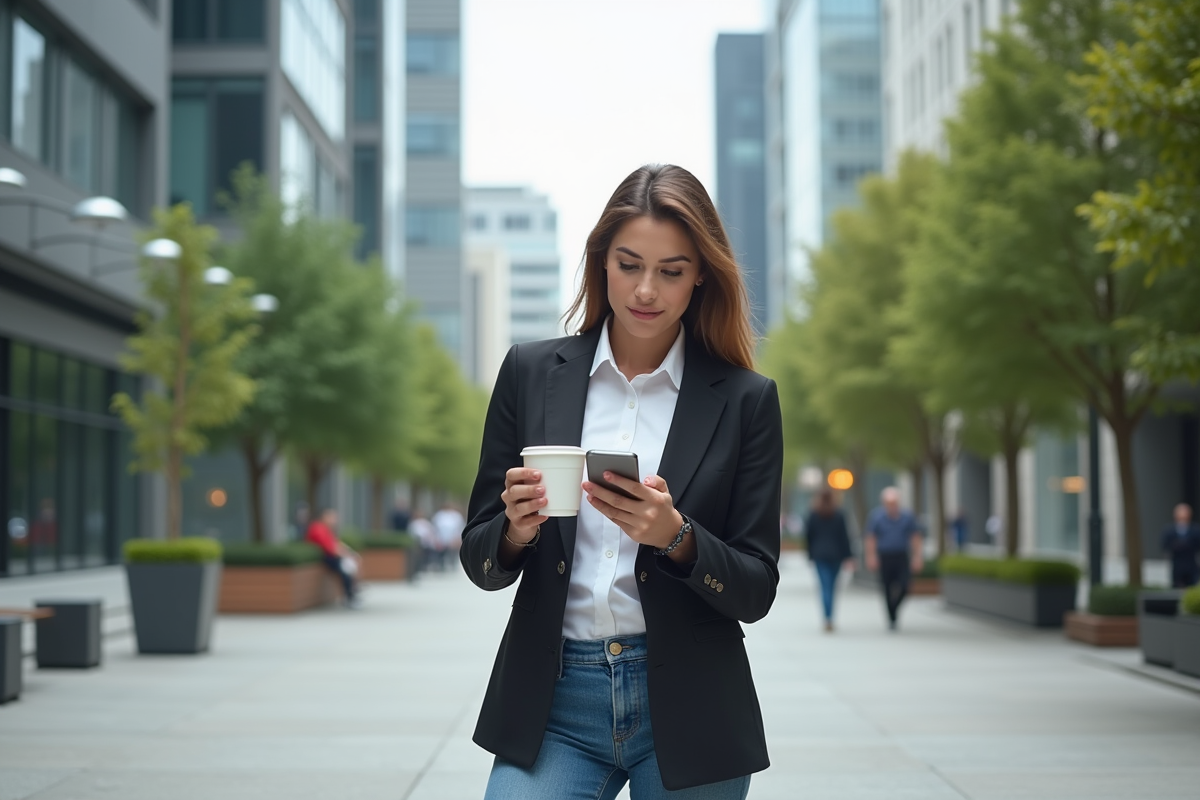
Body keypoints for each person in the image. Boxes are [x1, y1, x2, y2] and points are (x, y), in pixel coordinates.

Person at [460, 164, 783, 798]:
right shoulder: (530, 373)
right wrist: (515, 531)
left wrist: (677, 537)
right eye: (629, 265)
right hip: (555, 703)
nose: (646, 290)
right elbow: (480, 560)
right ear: (601, 262)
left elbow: (756, 589)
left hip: (693, 705)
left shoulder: (746, 400)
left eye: (671, 271)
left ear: (700, 276)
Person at [865, 487, 924, 631]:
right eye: (888, 503)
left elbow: (915, 537)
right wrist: (871, 556)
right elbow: (871, 538)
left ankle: (895, 607)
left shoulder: (907, 517)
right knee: (886, 587)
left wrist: (917, 557)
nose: (892, 505)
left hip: (901, 555)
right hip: (885, 556)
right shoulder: (877, 517)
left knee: (905, 585)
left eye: (894, 502)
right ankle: (891, 617)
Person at [805, 488, 854, 632]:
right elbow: (844, 536)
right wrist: (848, 556)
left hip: (820, 554)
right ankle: (830, 616)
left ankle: (827, 617)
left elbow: (809, 536)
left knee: (824, 586)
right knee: (832, 586)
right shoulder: (839, 514)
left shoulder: (814, 514)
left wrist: (810, 554)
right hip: (836, 555)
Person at [305, 508, 362, 608]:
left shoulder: (326, 528)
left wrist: (350, 554)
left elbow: (336, 544)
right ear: (324, 517)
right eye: (331, 517)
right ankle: (349, 596)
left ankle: (352, 592)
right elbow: (329, 548)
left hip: (331, 557)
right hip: (325, 558)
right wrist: (347, 555)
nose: (334, 520)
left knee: (349, 566)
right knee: (346, 569)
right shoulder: (317, 528)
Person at [1161, 503, 1200, 588]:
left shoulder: (1196, 530)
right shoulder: (1169, 531)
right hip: (1176, 566)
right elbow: (1165, 546)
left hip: (1192, 566)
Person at [431, 502, 465, 571]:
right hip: (441, 538)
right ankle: (441, 565)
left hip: (453, 538)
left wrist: (457, 538)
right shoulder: (439, 515)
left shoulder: (456, 515)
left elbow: (460, 527)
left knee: (452, 553)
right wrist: (436, 538)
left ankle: (452, 564)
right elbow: (434, 528)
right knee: (441, 553)